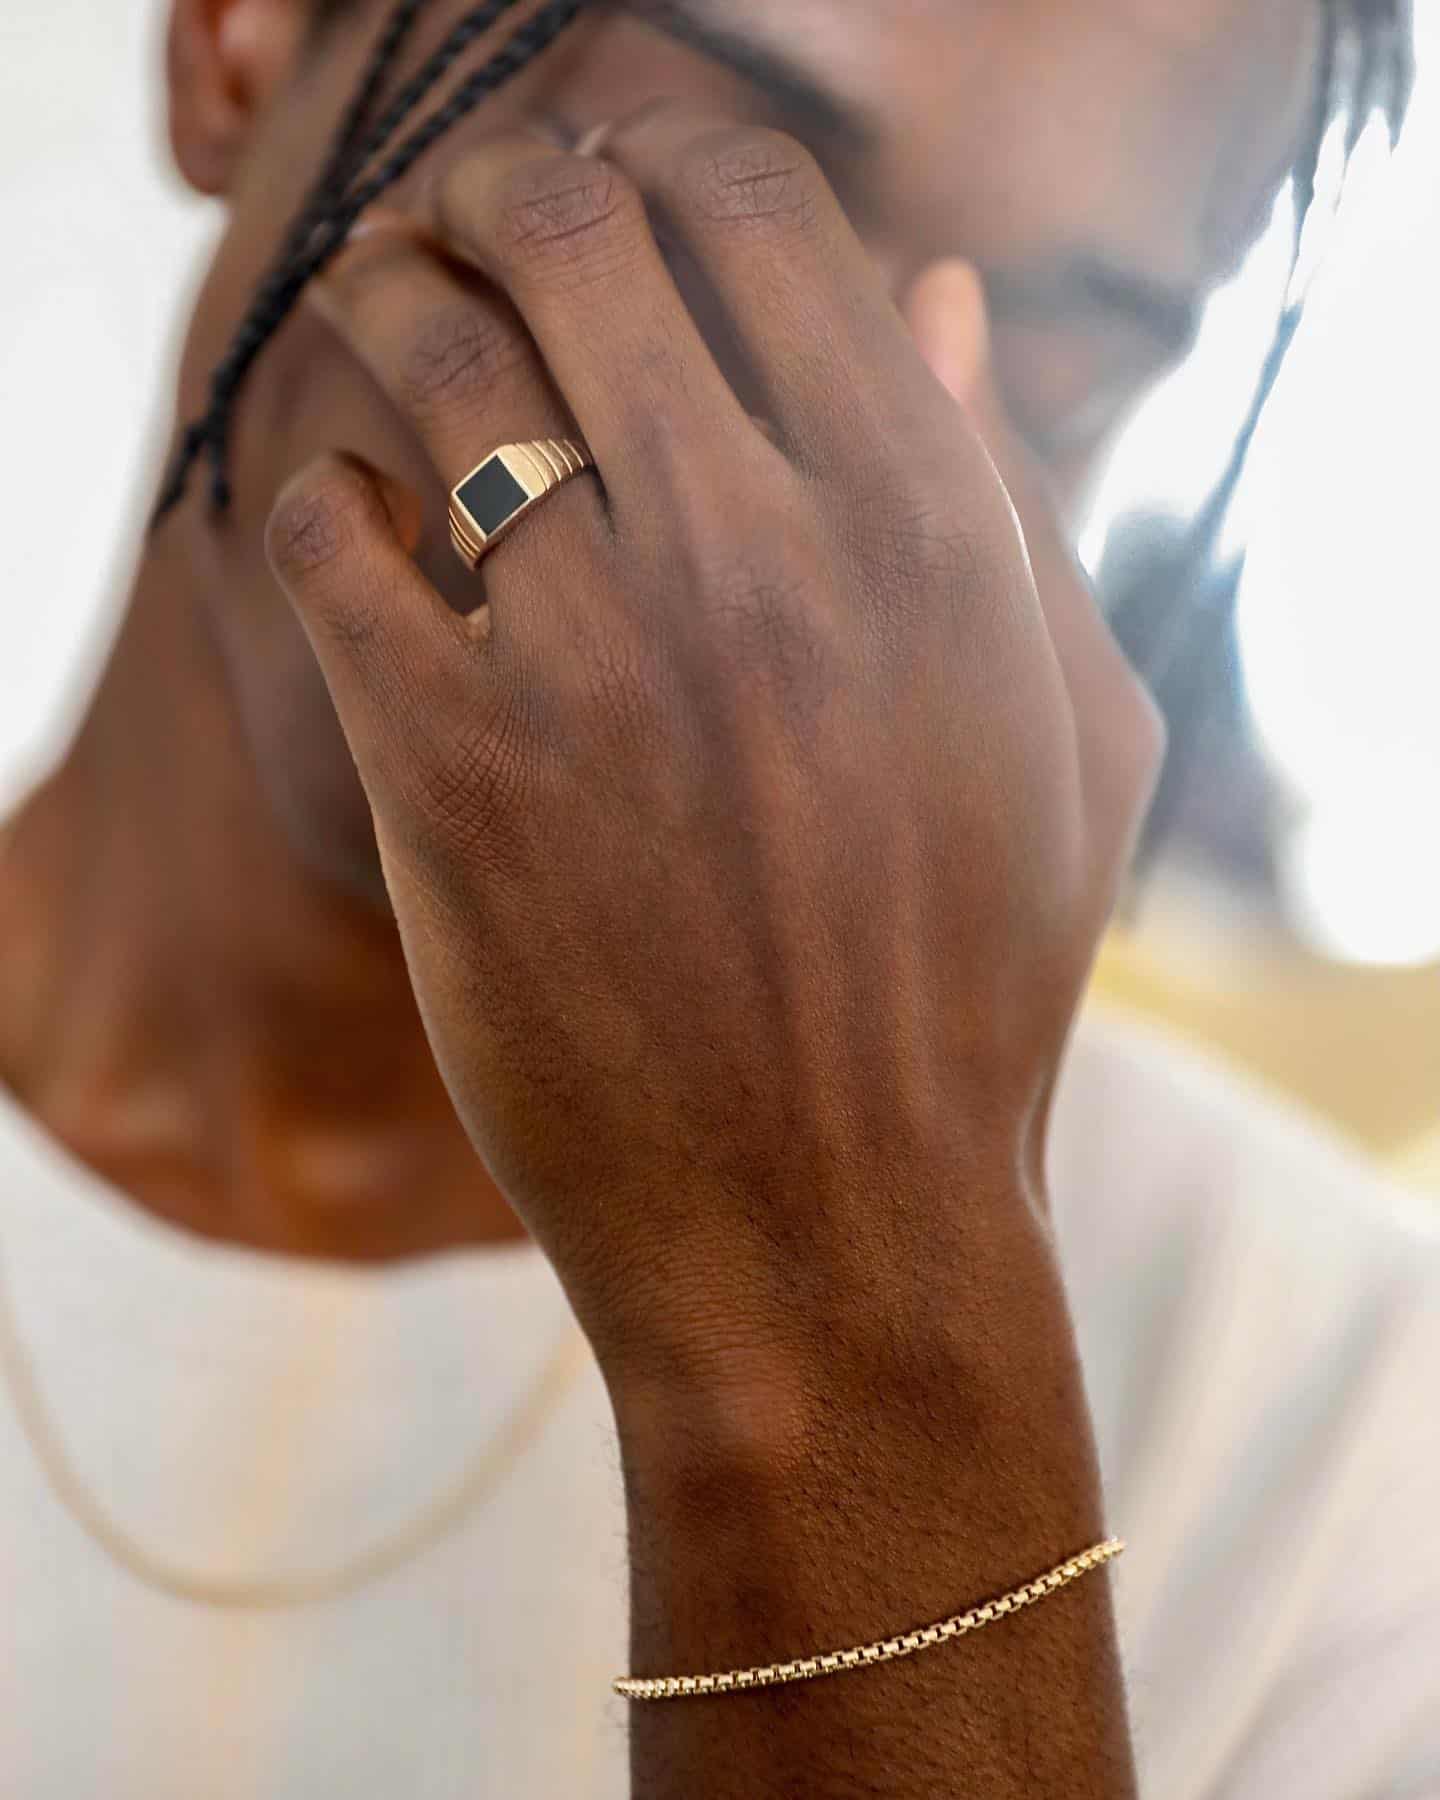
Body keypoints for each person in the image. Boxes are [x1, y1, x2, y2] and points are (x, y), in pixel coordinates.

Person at [0, 0, 1434, 1794]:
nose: (832, 527)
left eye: (1060, 364)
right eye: (694, 196)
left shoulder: (1351, 1443)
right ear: (241, 40)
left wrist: (855, 1311)